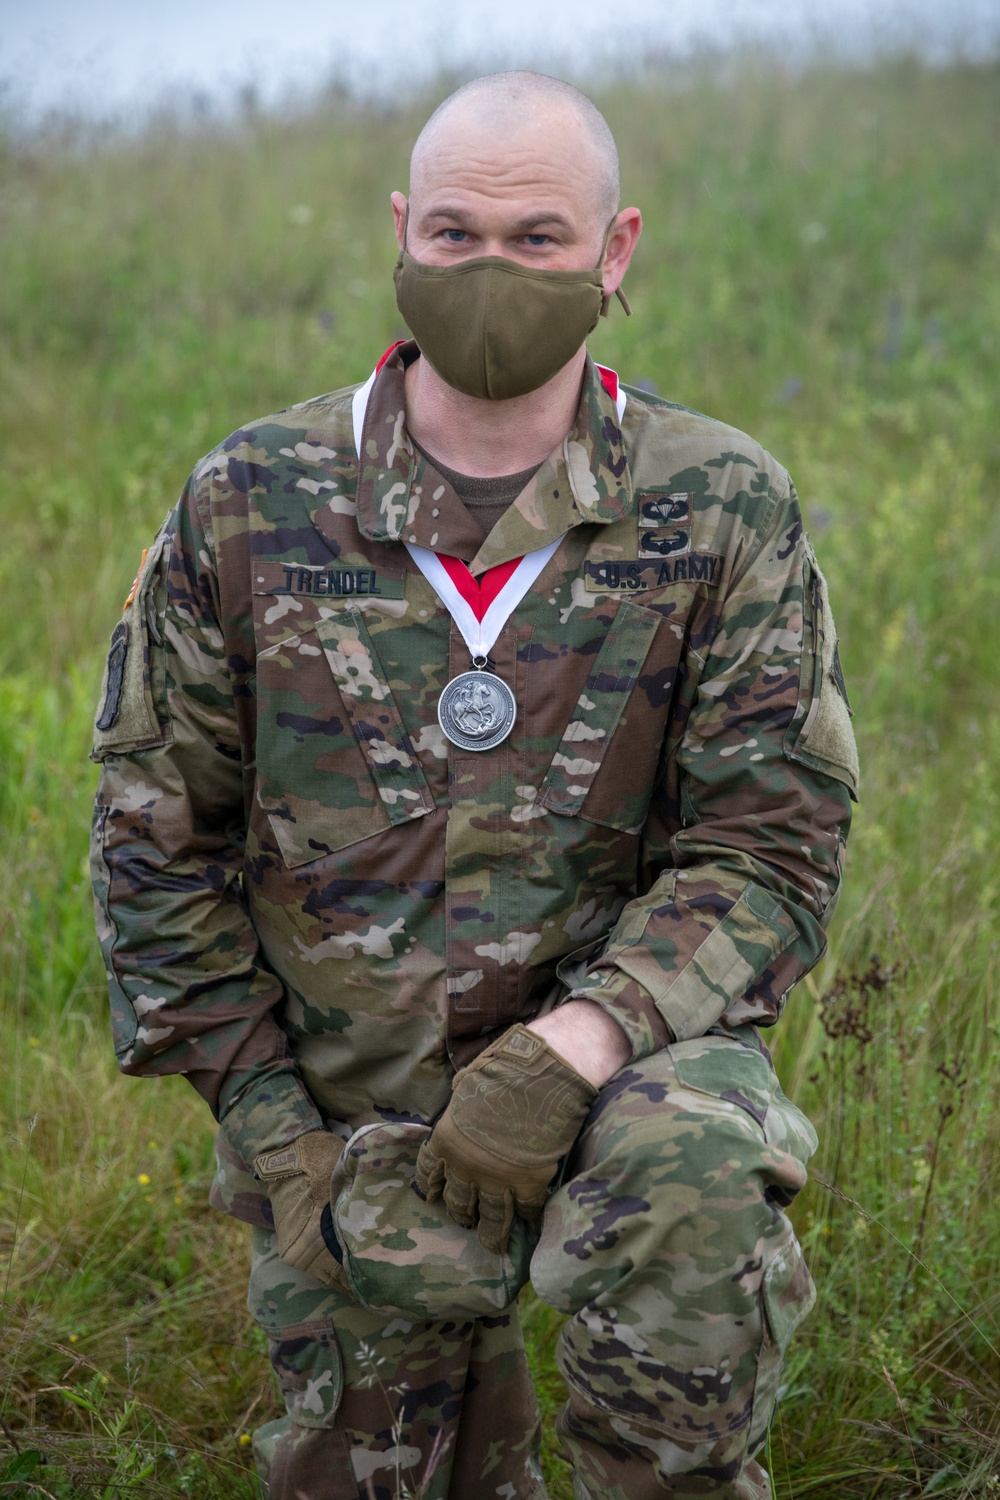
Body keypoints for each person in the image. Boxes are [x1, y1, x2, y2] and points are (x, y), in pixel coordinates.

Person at [90, 70, 858, 1500]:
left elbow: (771, 849)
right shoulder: (251, 500)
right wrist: (277, 1146)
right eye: (454, 235)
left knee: (694, 1175)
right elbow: (155, 853)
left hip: (630, 1076)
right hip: (345, 1115)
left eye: (538, 239)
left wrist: (573, 1046)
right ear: (400, 231)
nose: (491, 271)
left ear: (615, 250)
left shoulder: (721, 505)